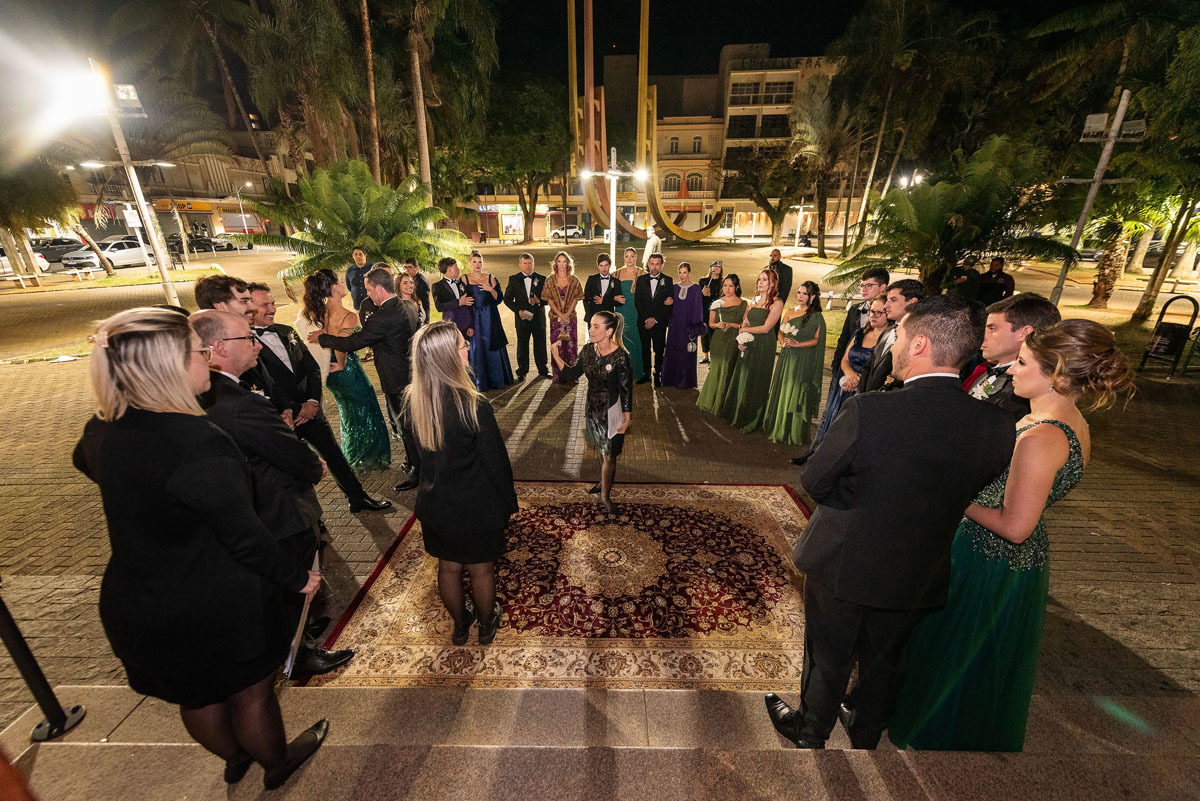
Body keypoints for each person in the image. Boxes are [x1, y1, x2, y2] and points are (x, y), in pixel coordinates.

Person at [72, 308, 327, 790]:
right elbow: (244, 535)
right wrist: (298, 578)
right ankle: (276, 764)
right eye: (199, 351)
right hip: (213, 598)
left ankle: (235, 757)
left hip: (141, 595)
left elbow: (85, 463)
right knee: (251, 693)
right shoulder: (198, 442)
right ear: (167, 365)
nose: (208, 358)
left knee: (197, 695)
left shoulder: (104, 427)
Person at [764, 295, 1015, 751]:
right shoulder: (996, 425)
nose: (893, 344)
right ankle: (865, 734)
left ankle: (811, 731)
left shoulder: (870, 410)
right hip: (920, 566)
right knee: (888, 659)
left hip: (844, 559)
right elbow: (973, 486)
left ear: (919, 344)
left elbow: (815, 480)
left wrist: (856, 502)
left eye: (899, 336)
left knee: (829, 655)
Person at [889, 319, 1134, 751]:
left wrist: (953, 494)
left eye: (1022, 363)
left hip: (989, 558)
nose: (1012, 371)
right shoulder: (1067, 420)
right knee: (958, 651)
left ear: (1056, 374)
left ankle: (937, 734)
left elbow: (1016, 527)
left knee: (956, 651)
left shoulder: (1043, 437)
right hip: (999, 555)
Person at [192, 310, 353, 678]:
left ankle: (297, 635)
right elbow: (286, 451)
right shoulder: (238, 402)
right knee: (292, 580)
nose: (256, 345)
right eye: (247, 339)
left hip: (257, 503)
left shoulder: (213, 391)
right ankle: (298, 654)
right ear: (218, 348)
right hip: (277, 507)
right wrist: (313, 467)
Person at [405, 321, 518, 646]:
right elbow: (496, 462)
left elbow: (420, 461)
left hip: (436, 505)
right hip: (476, 505)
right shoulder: (472, 404)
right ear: (447, 357)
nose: (467, 347)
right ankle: (486, 624)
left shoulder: (415, 401)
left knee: (449, 568)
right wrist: (509, 503)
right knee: (481, 570)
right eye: (461, 345)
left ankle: (459, 625)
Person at [239, 283, 392, 513]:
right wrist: (293, 408)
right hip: (282, 418)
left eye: (272, 303)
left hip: (311, 410)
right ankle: (311, 519)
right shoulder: (243, 344)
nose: (272, 309)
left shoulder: (286, 331)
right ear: (248, 307)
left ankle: (358, 498)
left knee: (334, 456)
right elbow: (258, 385)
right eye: (264, 305)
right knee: (294, 469)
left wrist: (312, 401)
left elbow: (311, 367)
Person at [313, 267, 422, 493]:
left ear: (380, 289)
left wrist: (323, 338)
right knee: (410, 425)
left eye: (370, 290)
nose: (368, 295)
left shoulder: (382, 317)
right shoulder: (407, 305)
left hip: (395, 378)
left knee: (407, 427)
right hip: (409, 372)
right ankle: (414, 463)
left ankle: (418, 472)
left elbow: (354, 343)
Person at [790, 268, 889, 465]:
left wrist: (861, 379)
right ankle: (814, 453)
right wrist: (839, 369)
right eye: (862, 285)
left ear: (883, 287)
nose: (863, 289)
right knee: (829, 415)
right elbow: (844, 340)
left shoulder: (891, 325)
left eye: (868, 285)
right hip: (843, 373)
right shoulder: (855, 310)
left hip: (865, 382)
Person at [300, 269, 391, 472]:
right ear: (334, 288)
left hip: (331, 371)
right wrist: (341, 364)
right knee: (365, 409)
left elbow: (325, 336)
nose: (344, 285)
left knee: (348, 413)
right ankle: (367, 456)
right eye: (341, 282)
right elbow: (341, 344)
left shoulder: (322, 311)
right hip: (346, 369)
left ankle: (353, 453)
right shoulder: (347, 316)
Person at [552, 310, 633, 514]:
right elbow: (572, 374)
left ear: (609, 331)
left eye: (596, 326)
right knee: (601, 448)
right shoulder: (588, 350)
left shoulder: (621, 357)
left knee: (609, 456)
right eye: (591, 326)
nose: (591, 330)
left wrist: (627, 419)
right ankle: (603, 482)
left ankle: (605, 495)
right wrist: (555, 355)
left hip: (612, 412)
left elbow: (626, 390)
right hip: (593, 409)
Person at [964, 293, 1062, 422]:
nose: (982, 336)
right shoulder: (989, 370)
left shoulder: (1024, 391)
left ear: (1024, 333)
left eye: (992, 329)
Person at [719, 268, 784, 432]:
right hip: (749, 342)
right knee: (743, 377)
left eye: (764, 280)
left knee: (756, 379)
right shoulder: (754, 300)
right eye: (759, 279)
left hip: (764, 345)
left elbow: (766, 328)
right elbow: (746, 322)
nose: (760, 282)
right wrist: (741, 339)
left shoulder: (777, 303)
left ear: (772, 283)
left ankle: (752, 419)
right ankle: (738, 414)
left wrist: (743, 331)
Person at [763, 282, 826, 445]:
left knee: (796, 392)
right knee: (783, 389)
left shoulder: (817, 317)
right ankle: (779, 426)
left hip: (803, 359)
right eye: (799, 292)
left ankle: (793, 431)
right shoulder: (790, 311)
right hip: (787, 358)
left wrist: (798, 344)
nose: (800, 296)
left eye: (805, 294)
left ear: (812, 297)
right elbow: (780, 331)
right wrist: (783, 341)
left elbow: (817, 340)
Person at [857, 279, 924, 394]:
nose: (886, 306)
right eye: (887, 300)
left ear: (912, 302)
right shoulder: (887, 332)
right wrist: (860, 396)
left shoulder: (919, 339)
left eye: (893, 300)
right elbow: (869, 367)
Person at [464, 250, 514, 391]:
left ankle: (495, 380)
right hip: (474, 318)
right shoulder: (464, 279)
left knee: (492, 345)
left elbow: (499, 298)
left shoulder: (490, 277)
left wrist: (490, 289)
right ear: (470, 263)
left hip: (490, 317)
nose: (477, 264)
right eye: (475, 262)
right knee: (476, 348)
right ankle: (478, 382)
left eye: (480, 262)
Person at [696, 274, 746, 415]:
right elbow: (711, 323)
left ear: (737, 287)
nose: (727, 289)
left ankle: (723, 404)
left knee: (728, 369)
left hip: (733, 340)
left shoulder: (743, 304)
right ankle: (711, 401)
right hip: (718, 340)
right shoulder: (717, 303)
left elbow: (744, 325)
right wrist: (718, 325)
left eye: (731, 286)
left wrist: (732, 325)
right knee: (716, 369)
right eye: (725, 285)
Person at [502, 252, 549, 380]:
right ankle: (522, 371)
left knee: (540, 345)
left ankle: (543, 370)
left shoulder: (542, 279)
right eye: (525, 263)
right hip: (522, 319)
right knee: (522, 346)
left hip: (538, 319)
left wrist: (539, 301)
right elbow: (507, 299)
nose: (528, 266)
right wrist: (518, 311)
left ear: (533, 264)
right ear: (520, 264)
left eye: (530, 263)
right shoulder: (514, 279)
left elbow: (548, 299)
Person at [660, 262, 706, 389]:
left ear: (689, 273)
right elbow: (669, 307)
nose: (682, 275)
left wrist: (695, 328)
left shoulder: (696, 289)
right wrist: (666, 304)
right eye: (680, 273)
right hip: (675, 326)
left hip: (688, 327)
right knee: (673, 351)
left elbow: (698, 309)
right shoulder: (674, 287)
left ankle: (685, 381)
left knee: (686, 353)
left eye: (684, 273)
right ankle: (670, 380)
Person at [542, 250, 585, 384]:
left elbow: (576, 299)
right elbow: (549, 300)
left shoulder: (574, 279)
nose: (562, 264)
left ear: (568, 264)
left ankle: (572, 375)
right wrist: (560, 314)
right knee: (557, 345)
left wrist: (566, 315)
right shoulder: (550, 280)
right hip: (555, 319)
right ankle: (558, 375)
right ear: (556, 263)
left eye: (564, 261)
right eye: (559, 261)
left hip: (570, 319)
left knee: (571, 346)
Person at [634, 253, 674, 385]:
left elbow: (669, 305)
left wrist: (655, 319)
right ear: (648, 264)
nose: (655, 267)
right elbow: (638, 302)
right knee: (645, 349)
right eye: (652, 264)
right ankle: (646, 374)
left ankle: (658, 374)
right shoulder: (641, 279)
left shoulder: (668, 280)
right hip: (644, 323)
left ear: (662, 265)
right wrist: (647, 319)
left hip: (659, 323)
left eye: (657, 264)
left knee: (659, 349)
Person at [614, 247, 644, 381]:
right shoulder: (616, 274)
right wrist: (615, 298)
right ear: (624, 258)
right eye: (627, 256)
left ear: (636, 258)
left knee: (636, 339)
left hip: (636, 310)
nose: (629, 259)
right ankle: (622, 371)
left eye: (632, 256)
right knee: (622, 338)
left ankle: (637, 371)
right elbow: (609, 293)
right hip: (621, 310)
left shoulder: (642, 273)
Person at [432, 257, 474, 339]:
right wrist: (458, 302)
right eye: (456, 267)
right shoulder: (437, 286)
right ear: (449, 269)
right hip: (450, 327)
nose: (458, 269)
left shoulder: (461, 284)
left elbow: (470, 305)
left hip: (466, 327)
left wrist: (471, 325)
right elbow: (439, 307)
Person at [583, 252, 622, 326]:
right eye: (601, 265)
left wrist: (605, 300)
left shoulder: (616, 282)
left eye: (606, 265)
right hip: (593, 317)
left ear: (610, 265)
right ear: (598, 266)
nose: (604, 268)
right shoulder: (591, 279)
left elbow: (619, 302)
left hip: (608, 319)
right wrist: (590, 315)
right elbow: (585, 299)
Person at [697, 261, 724, 363]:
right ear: (710, 268)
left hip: (717, 311)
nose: (716, 268)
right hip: (705, 310)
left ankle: (713, 357)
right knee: (705, 333)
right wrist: (702, 294)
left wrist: (711, 296)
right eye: (714, 266)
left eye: (719, 267)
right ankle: (706, 356)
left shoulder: (723, 282)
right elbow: (697, 298)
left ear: (721, 269)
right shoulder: (703, 281)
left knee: (715, 334)